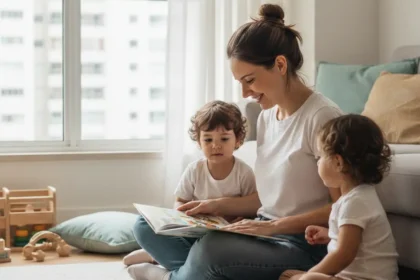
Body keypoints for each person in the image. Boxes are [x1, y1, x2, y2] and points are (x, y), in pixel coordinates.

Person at [131, 3, 343, 280]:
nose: (244, 93)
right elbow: (270, 202)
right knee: (145, 225)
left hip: (303, 243)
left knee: (211, 251)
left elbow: (343, 207)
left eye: (250, 80)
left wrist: (275, 227)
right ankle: (190, 272)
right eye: (239, 82)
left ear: (280, 64)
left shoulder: (322, 118)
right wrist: (214, 207)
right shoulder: (268, 116)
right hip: (264, 229)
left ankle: (168, 276)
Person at [126, 100, 257, 278]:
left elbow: (253, 209)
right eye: (208, 139)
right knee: (142, 224)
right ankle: (173, 261)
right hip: (193, 235)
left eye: (224, 139)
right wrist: (183, 215)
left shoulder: (244, 172)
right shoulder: (195, 169)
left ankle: (161, 265)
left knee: (214, 249)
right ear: (198, 142)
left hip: (223, 241)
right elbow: (180, 201)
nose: (215, 145)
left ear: (238, 140)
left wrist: (241, 219)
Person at [279, 115, 399, 280]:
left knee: (307, 279)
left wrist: (309, 274)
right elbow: (355, 240)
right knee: (288, 276)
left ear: (338, 162)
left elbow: (344, 254)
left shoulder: (356, 202)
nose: (318, 162)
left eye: (320, 156)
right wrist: (330, 234)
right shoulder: (356, 197)